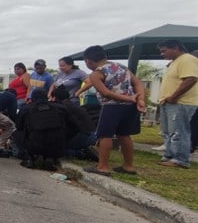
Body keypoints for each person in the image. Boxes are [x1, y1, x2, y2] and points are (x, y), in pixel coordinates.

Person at [83, 45, 146, 176]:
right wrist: (140, 99)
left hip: (111, 106)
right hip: (129, 107)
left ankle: (103, 167)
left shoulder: (96, 74)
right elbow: (138, 83)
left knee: (105, 135)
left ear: (88, 61)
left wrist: (129, 98)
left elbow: (106, 93)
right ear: (105, 56)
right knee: (124, 134)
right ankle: (128, 166)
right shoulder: (121, 67)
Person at [156, 40, 198, 169]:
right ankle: (169, 155)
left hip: (180, 102)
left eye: (164, 50)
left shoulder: (187, 59)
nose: (162, 54)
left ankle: (180, 159)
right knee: (167, 132)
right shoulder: (174, 62)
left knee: (178, 131)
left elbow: (191, 78)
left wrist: (174, 96)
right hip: (167, 102)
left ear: (176, 47)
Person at [14, 89, 70, 170]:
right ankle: (50, 159)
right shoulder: (61, 108)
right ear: (46, 97)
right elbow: (67, 125)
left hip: (34, 145)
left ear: (32, 98)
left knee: (16, 132)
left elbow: (19, 126)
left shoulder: (25, 109)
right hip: (56, 146)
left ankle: (29, 158)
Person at [51, 85, 98, 161]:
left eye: (51, 98)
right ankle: (83, 148)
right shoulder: (71, 104)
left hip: (86, 136)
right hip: (91, 134)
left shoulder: (63, 108)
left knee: (55, 150)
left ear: (55, 98)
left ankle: (82, 153)